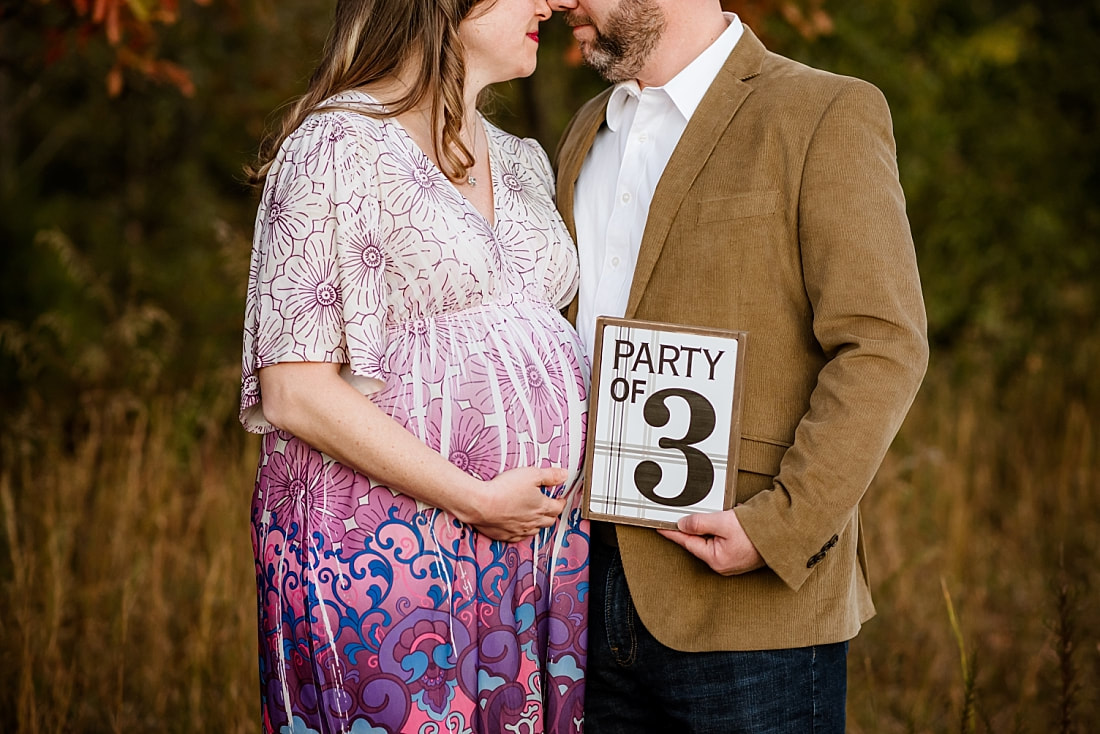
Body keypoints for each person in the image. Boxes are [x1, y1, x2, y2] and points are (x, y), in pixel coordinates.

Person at [549, 0, 929, 731]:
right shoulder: (585, 130)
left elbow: (883, 342)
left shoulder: (824, 111)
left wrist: (779, 529)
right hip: (586, 597)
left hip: (754, 614)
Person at [238, 1, 589, 732]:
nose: (551, 3)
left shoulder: (522, 159)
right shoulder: (337, 145)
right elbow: (294, 389)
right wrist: (473, 498)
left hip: (534, 554)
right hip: (388, 552)